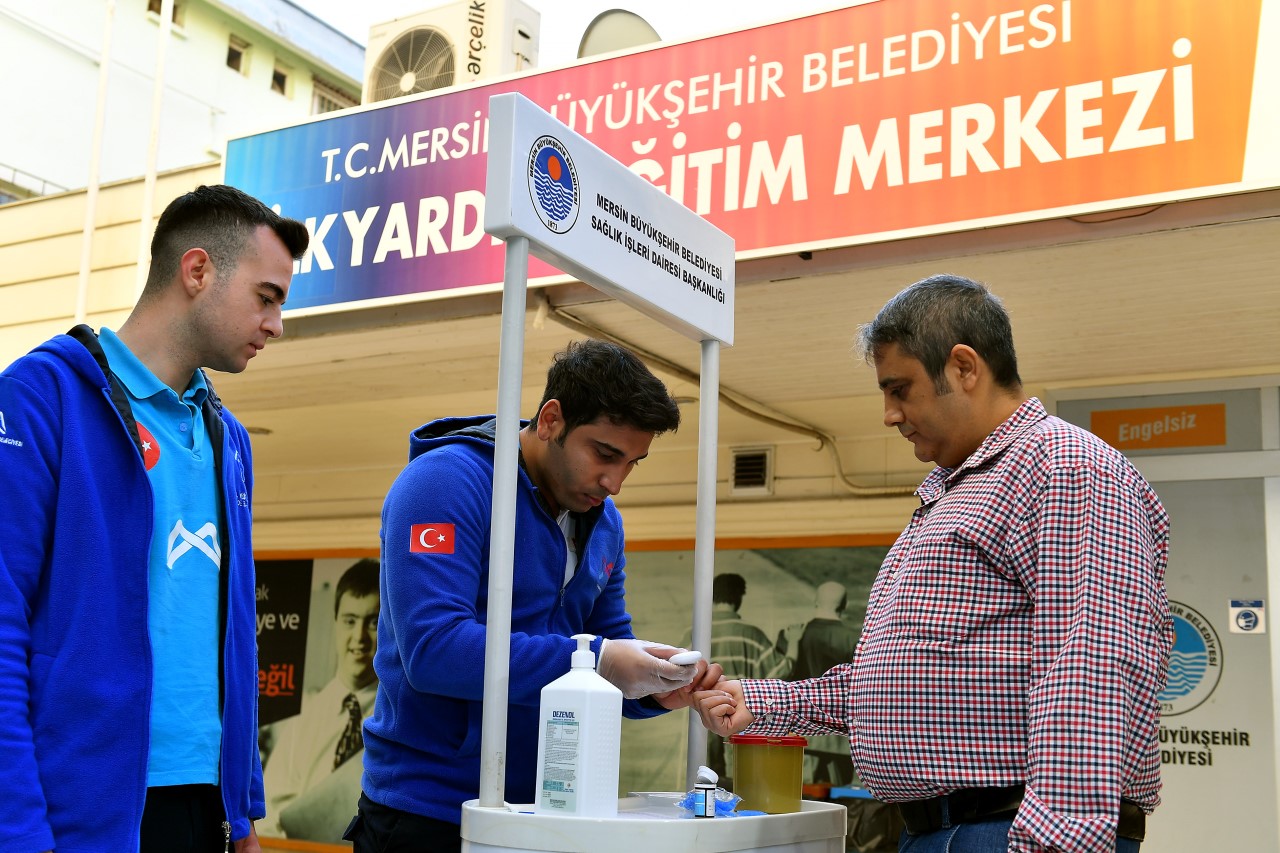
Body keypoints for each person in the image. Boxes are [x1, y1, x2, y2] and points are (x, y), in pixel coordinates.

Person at [695, 274, 1172, 853]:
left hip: (1010, 829)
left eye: (900, 389)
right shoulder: (953, 491)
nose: (889, 414)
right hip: (942, 829)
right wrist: (766, 703)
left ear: (965, 368)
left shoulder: (1066, 466)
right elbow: (899, 681)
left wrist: (1059, 841)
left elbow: (1094, 659)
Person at [0, 184, 309, 853]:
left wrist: (244, 807)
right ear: (197, 271)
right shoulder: (40, 396)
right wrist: (18, 829)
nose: (277, 324)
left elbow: (234, 638)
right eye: (267, 296)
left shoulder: (229, 438)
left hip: (206, 816)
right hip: (81, 819)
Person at [346, 338, 723, 853]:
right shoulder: (445, 483)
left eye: (634, 462)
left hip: (544, 811)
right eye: (605, 453)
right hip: (428, 813)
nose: (615, 482)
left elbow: (607, 650)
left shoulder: (604, 524)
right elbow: (432, 651)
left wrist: (653, 687)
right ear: (550, 420)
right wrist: (604, 662)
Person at [260, 559, 381, 839]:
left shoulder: (398, 718)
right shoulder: (303, 722)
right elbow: (267, 819)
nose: (359, 638)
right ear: (336, 624)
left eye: (373, 623)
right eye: (350, 621)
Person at [680, 573, 791, 785]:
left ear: (714, 597)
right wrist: (792, 648)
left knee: (705, 780)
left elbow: (679, 676)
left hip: (702, 718)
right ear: (739, 598)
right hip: (739, 721)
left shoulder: (693, 633)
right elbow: (779, 671)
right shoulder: (752, 635)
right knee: (740, 779)